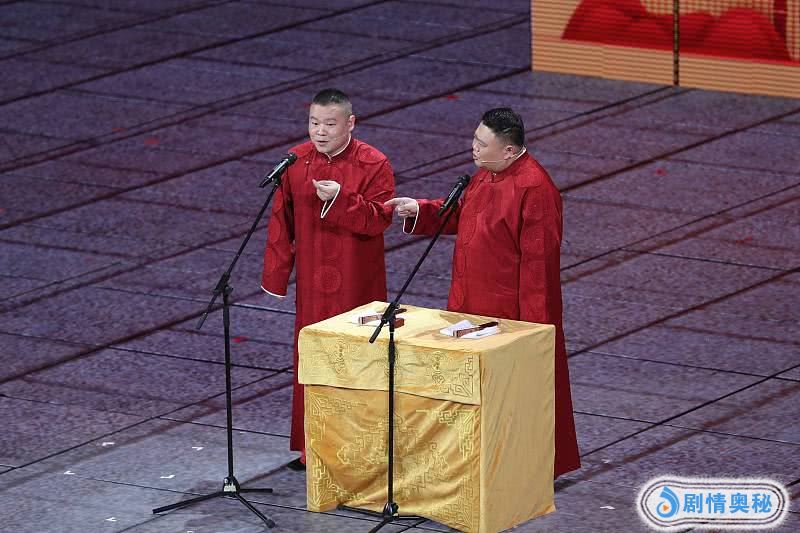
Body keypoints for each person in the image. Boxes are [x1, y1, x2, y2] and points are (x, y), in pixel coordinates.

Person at [385, 108, 580, 478]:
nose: (473, 147)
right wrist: (420, 210)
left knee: (512, 397)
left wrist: (532, 333)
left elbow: (538, 270)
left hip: (505, 316)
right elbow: (464, 216)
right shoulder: (486, 173)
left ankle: (522, 469)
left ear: (508, 150)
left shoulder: (535, 189)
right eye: (475, 139)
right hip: (467, 306)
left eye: (481, 142)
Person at [261, 88, 395, 470]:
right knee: (312, 359)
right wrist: (276, 275)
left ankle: (358, 449)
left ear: (350, 123)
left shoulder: (374, 163)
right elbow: (281, 221)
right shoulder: (296, 161)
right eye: (314, 123)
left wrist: (340, 198)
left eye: (329, 124)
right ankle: (312, 448)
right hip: (312, 285)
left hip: (357, 284)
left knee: (356, 361)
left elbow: (380, 219)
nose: (320, 132)